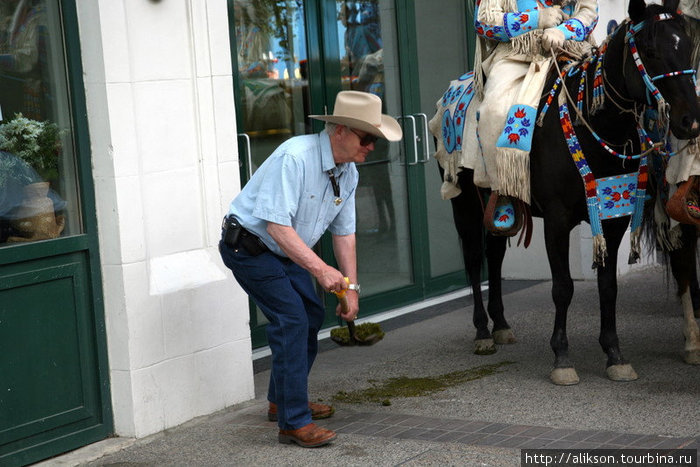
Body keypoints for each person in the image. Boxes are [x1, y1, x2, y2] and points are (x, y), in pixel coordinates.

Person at [219, 90, 402, 448]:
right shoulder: (295, 157)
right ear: (340, 131)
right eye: (368, 138)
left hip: (284, 250)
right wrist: (321, 271)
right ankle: (293, 422)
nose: (371, 148)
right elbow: (276, 228)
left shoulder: (348, 173)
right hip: (249, 247)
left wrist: (350, 287)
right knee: (292, 320)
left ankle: (282, 400)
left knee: (312, 314)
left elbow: (345, 234)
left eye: (375, 140)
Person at [470, 0, 599, 211]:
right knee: (493, 110)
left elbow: (589, 12)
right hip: (518, 53)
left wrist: (563, 31)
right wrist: (536, 19)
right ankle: (504, 190)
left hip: (572, 49)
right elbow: (484, 22)